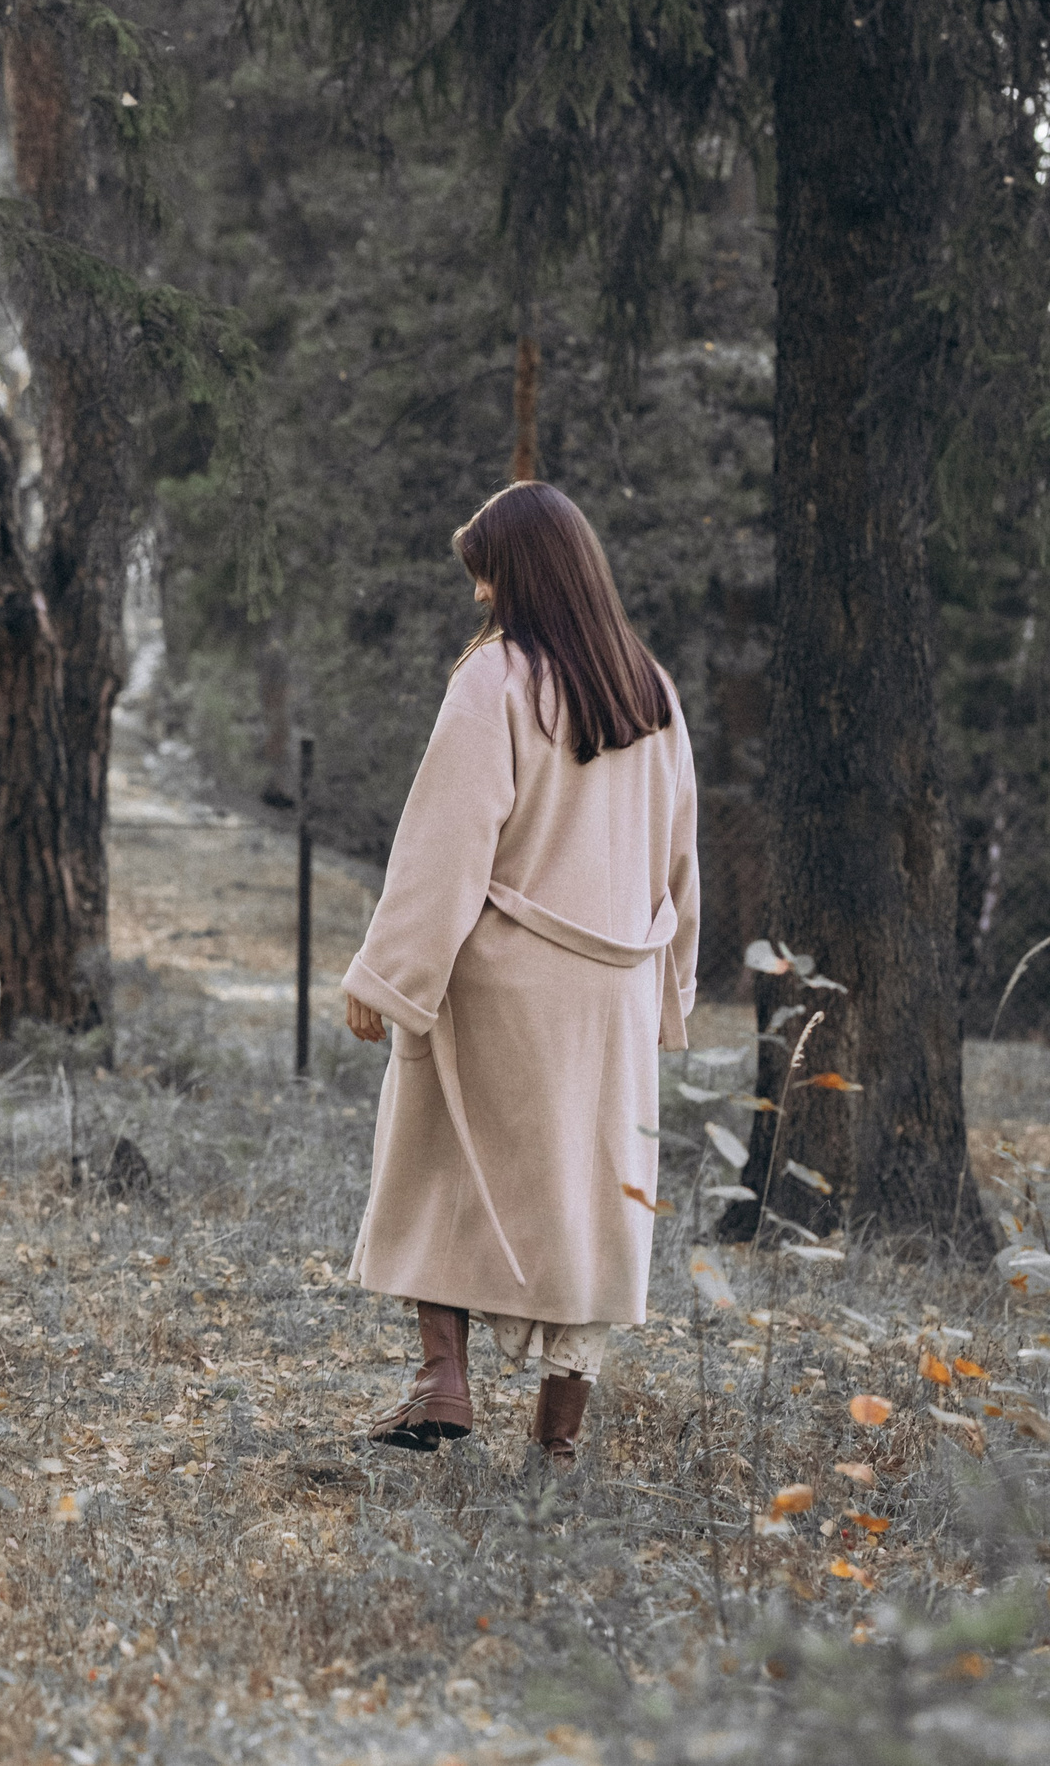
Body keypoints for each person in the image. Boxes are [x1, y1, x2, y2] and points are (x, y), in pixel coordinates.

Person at [342, 480, 699, 1471]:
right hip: (614, 991)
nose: (478, 594)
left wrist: (387, 976)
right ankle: (559, 1440)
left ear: (522, 572)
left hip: (502, 977)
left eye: (486, 573)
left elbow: (443, 844)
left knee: (435, 1153)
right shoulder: (651, 690)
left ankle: (443, 1379)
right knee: (596, 1200)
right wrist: (667, 989)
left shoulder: (494, 678)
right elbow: (680, 862)